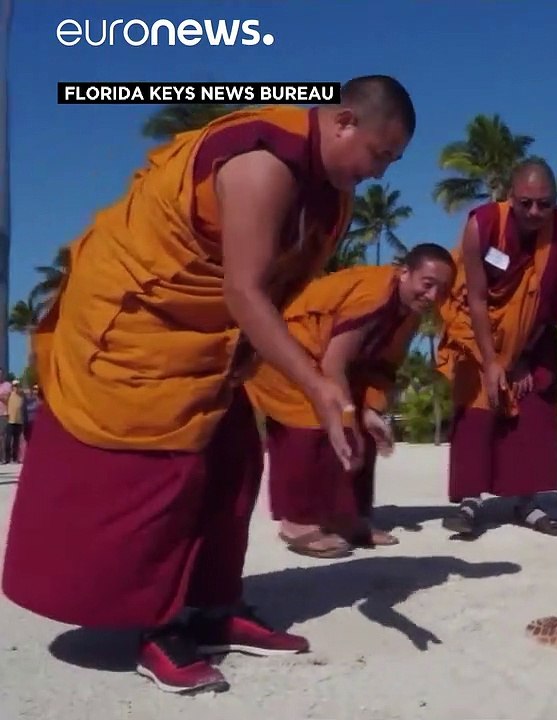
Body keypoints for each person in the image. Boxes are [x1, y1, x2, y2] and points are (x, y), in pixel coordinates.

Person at [2, 75, 416, 695]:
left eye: (392, 161)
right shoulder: (263, 165)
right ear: (343, 121)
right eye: (379, 154)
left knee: (235, 460)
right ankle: (158, 629)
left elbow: (280, 284)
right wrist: (319, 387)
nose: (380, 172)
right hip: (139, 320)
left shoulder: (333, 195)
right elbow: (245, 291)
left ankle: (216, 608)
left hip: (212, 337)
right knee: (171, 472)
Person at [246, 244, 456, 558]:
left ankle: (345, 517)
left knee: (362, 429)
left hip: (328, 363)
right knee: (316, 425)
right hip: (288, 351)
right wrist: (346, 419)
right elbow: (334, 365)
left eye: (442, 290)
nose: (433, 296)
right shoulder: (373, 295)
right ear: (404, 273)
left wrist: (371, 411)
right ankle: (298, 523)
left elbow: (385, 365)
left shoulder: (411, 313)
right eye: (427, 284)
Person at [435, 159, 557, 538]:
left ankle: (526, 502)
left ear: (555, 201)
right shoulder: (482, 225)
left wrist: (520, 360)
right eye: (526, 203)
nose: (535, 212)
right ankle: (469, 501)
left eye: (544, 204)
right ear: (509, 198)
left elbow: (549, 306)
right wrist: (491, 361)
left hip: (531, 338)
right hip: (477, 331)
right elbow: (478, 299)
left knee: (531, 409)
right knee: (477, 408)